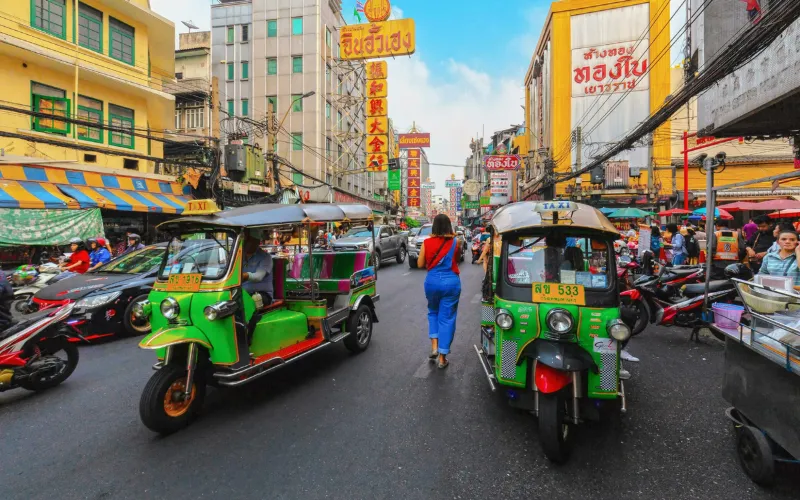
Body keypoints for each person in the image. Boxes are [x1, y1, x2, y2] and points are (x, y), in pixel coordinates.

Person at [417, 214, 461, 369]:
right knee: (447, 318)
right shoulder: (456, 242)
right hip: (451, 282)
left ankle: (434, 346)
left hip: (432, 281)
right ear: (449, 226)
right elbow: (457, 260)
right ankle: (442, 358)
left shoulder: (426, 243)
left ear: (434, 226)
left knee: (433, 312)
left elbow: (420, 263)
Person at [242, 230, 274, 303]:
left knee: (254, 300)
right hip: (242, 293)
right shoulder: (239, 256)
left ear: (256, 242)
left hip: (262, 294)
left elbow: (258, 276)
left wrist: (245, 276)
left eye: (248, 240)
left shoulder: (266, 257)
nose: (245, 243)